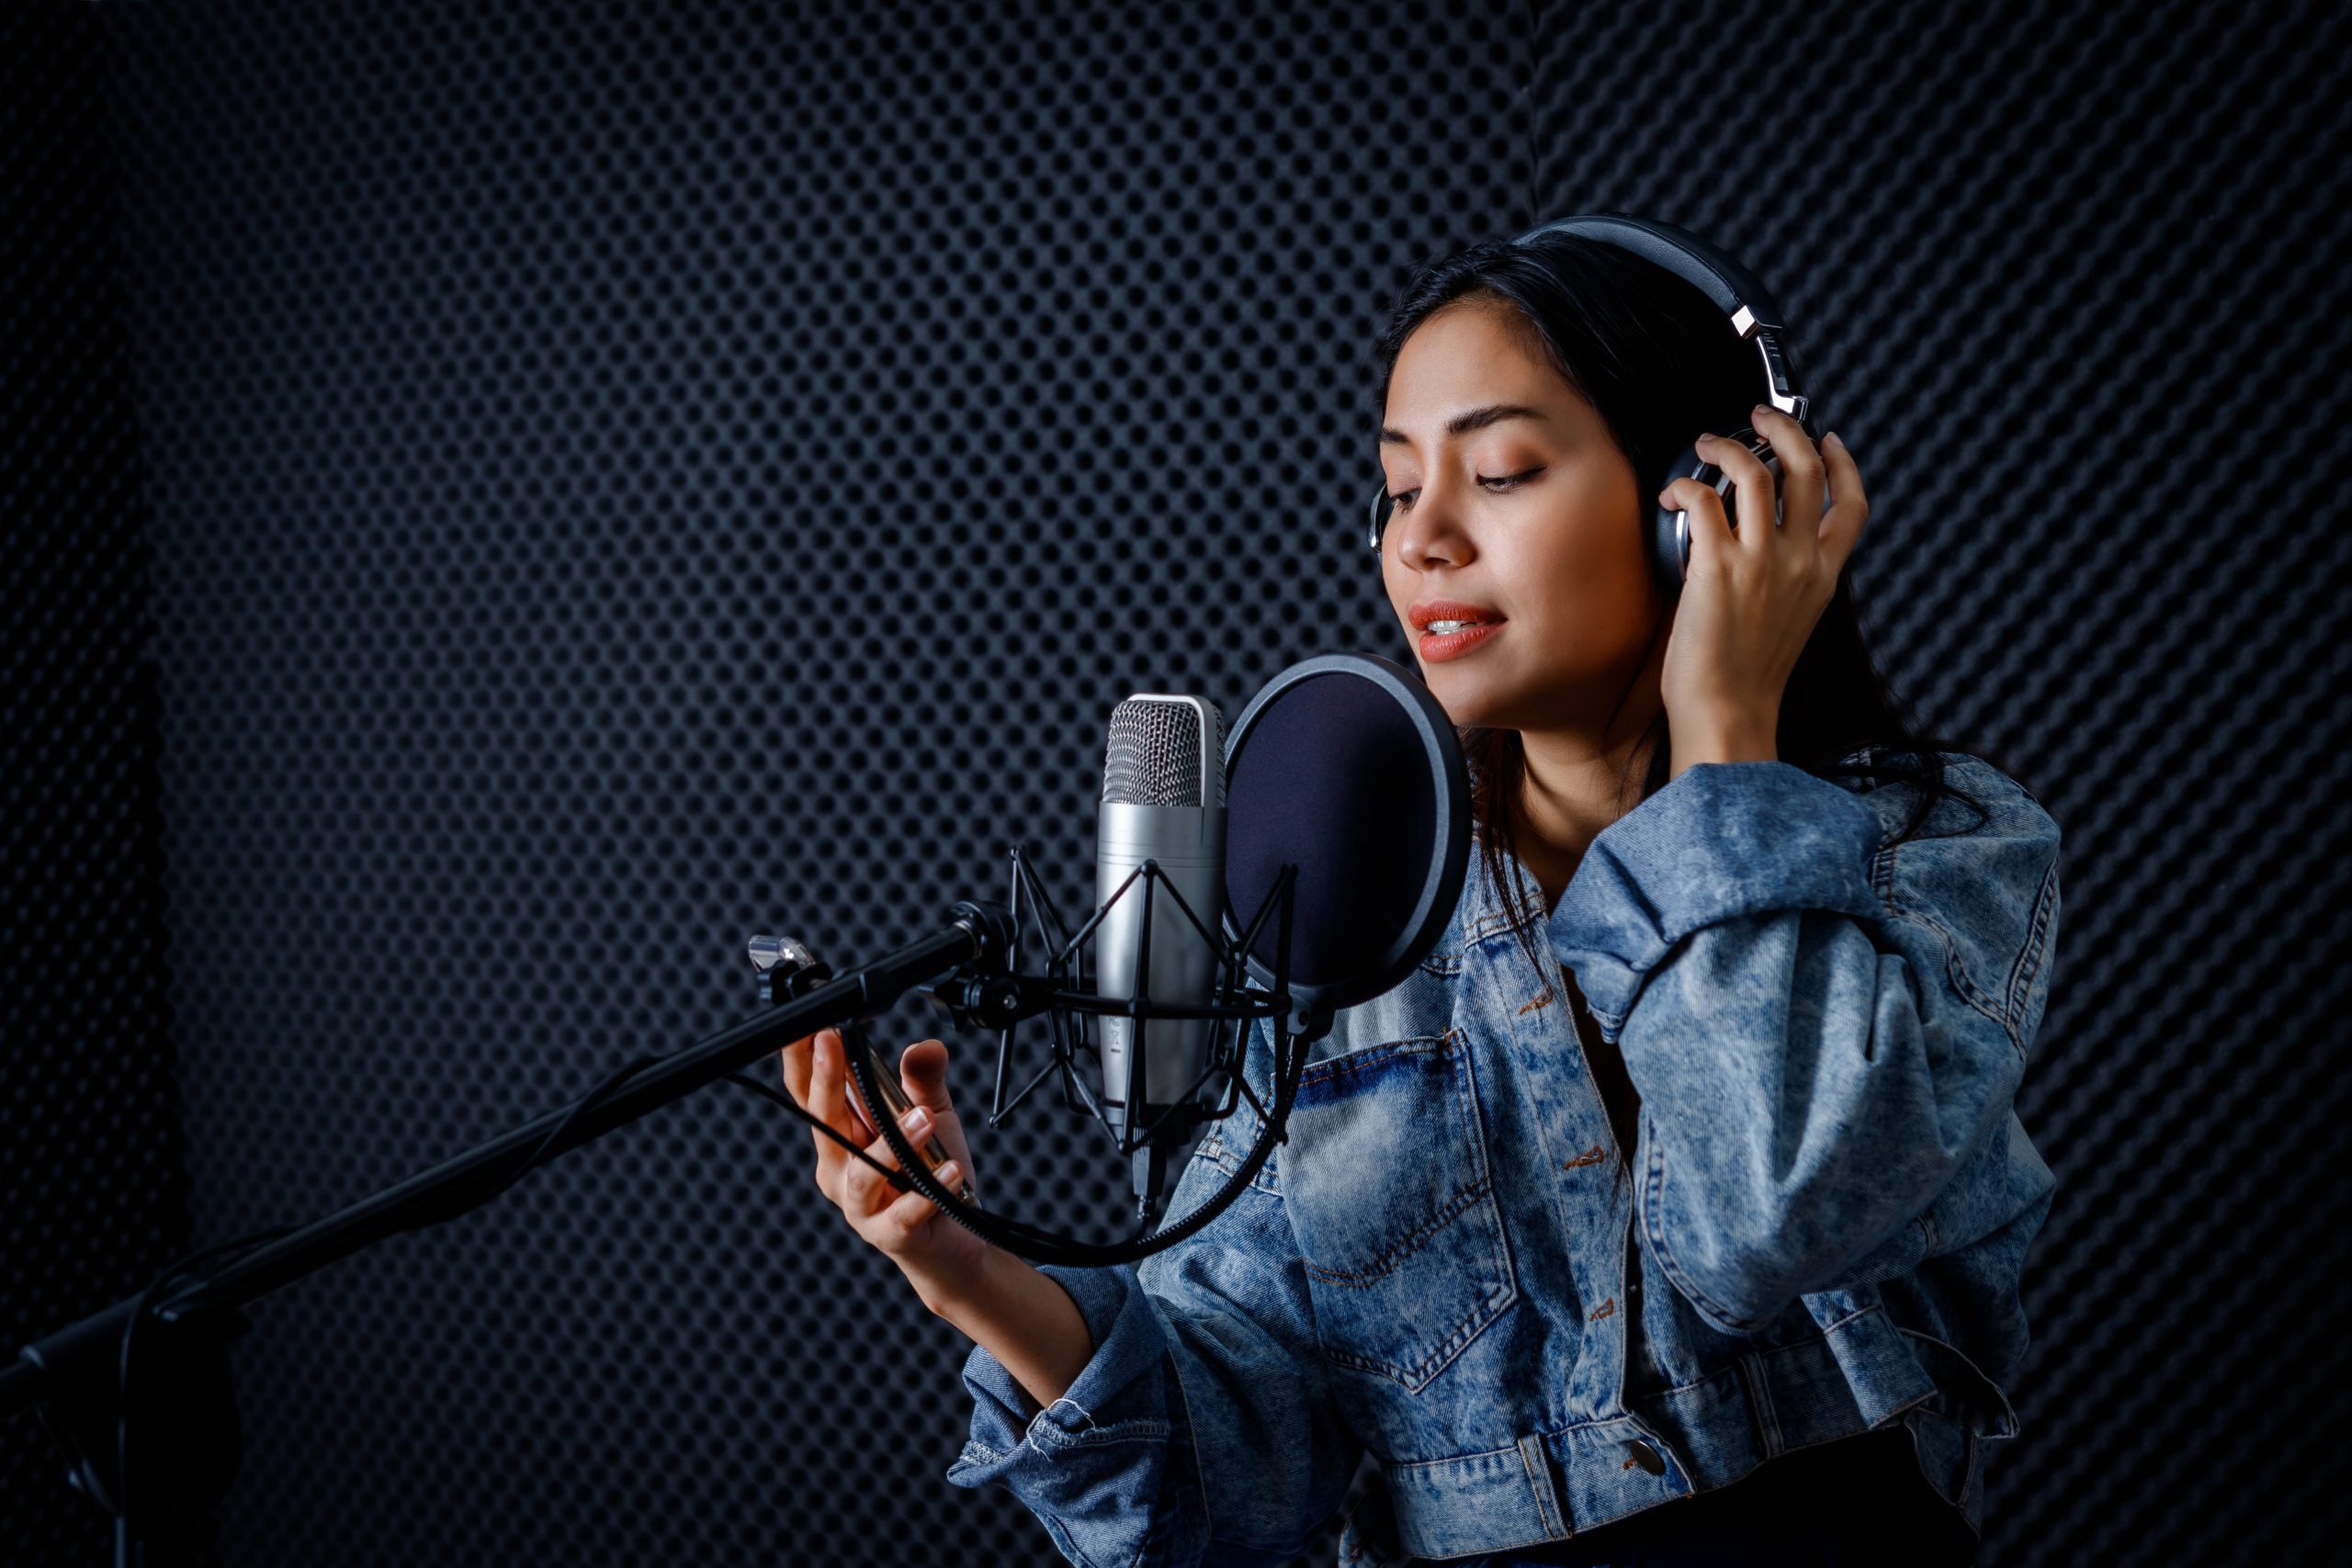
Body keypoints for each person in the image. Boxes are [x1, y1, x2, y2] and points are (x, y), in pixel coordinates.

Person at [778, 224, 2062, 1567]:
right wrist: (957, 1262)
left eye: (1500, 471)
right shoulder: (1337, 921)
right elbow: (1223, 1488)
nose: (1423, 540)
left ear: (1704, 499)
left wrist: (1722, 723)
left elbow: (1785, 1207)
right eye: (1395, 491)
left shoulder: (1933, 848)